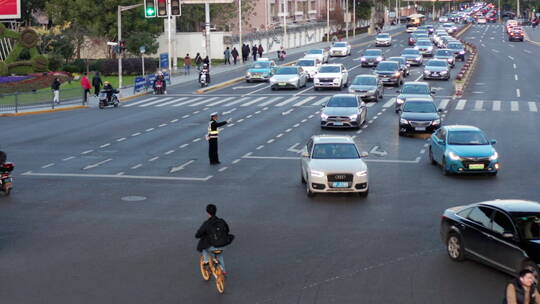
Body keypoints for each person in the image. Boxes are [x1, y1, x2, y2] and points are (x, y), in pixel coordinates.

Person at [195, 204, 233, 275]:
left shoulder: (207, 223)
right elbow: (227, 230)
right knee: (219, 255)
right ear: (216, 211)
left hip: (214, 246)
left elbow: (198, 234)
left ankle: (206, 262)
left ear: (207, 212)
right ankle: (223, 271)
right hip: (223, 245)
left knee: (203, 247)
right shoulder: (222, 221)